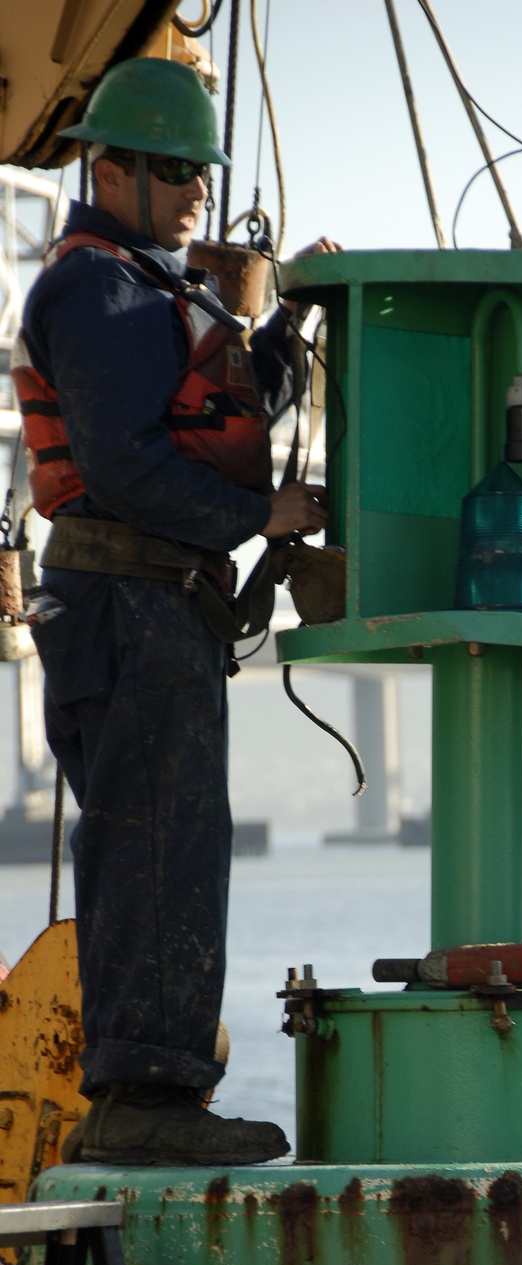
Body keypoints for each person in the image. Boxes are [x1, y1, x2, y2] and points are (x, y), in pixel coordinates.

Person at [14, 56, 330, 1166]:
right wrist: (263, 512)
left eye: (202, 171)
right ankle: (145, 1099)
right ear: (118, 167)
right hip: (127, 601)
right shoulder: (98, 291)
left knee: (172, 842)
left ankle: (156, 1089)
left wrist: (285, 334)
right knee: (156, 842)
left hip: (155, 605)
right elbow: (131, 466)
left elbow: (210, 410)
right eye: (181, 172)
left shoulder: (154, 287)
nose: (200, 192)